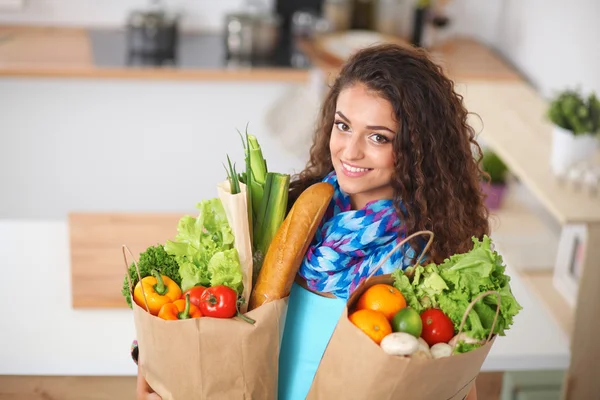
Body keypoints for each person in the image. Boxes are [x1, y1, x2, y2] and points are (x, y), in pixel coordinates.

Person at [137, 43, 489, 400]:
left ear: (419, 148)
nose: (350, 151)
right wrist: (156, 372)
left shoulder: (429, 255)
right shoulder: (287, 212)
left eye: (378, 137)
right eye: (343, 126)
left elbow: (457, 384)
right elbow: (193, 319)